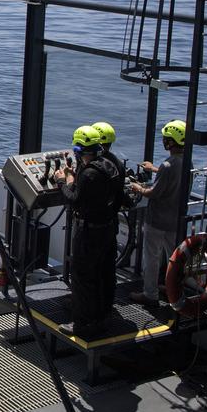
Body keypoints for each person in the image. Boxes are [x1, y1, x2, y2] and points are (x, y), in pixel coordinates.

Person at [52, 124, 125, 337]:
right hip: (108, 229)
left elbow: (74, 201)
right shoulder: (110, 166)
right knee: (104, 273)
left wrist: (63, 181)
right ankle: (103, 316)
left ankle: (82, 323)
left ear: (79, 150)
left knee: (83, 276)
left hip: (89, 232)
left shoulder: (90, 173)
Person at [129, 119, 189, 307]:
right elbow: (171, 175)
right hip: (175, 220)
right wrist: (154, 168)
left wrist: (137, 188)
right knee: (175, 258)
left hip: (157, 221)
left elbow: (154, 193)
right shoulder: (186, 161)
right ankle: (174, 290)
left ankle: (150, 294)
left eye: (165, 138)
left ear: (170, 141)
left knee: (152, 258)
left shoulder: (167, 165)